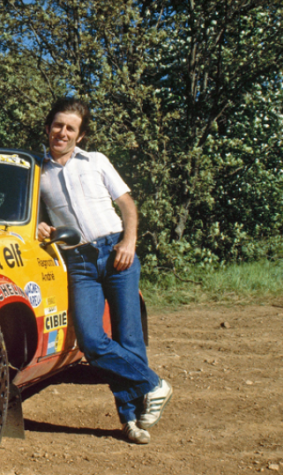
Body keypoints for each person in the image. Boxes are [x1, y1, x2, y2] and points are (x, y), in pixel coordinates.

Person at [36, 97, 172, 445]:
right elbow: (29, 216)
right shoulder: (38, 173)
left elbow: (127, 205)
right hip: (78, 261)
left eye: (71, 128)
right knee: (91, 341)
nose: (62, 133)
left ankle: (131, 419)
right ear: (48, 127)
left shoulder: (96, 161)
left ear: (80, 136)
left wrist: (129, 242)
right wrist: (38, 226)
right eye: (58, 125)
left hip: (116, 253)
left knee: (130, 339)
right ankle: (154, 385)